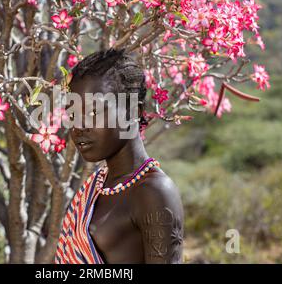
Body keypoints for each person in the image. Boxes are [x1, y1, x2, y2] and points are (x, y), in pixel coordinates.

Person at [54, 48, 184, 264]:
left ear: (132, 111)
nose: (78, 126)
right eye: (72, 114)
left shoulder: (153, 192)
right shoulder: (95, 186)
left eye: (93, 112)